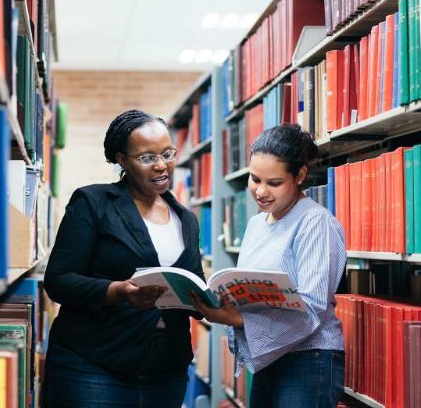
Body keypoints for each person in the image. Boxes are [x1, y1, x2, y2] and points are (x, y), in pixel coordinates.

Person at [42, 109, 204, 407]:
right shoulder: (93, 203)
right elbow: (59, 280)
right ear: (122, 160)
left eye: (167, 153)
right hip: (94, 365)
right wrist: (118, 292)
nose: (161, 166)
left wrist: (212, 301)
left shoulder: (186, 218)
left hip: (166, 369)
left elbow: (192, 283)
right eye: (147, 158)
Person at [190, 124, 346, 408]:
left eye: (274, 183)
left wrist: (235, 319)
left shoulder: (315, 223)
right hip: (269, 357)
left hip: (308, 361)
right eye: (254, 179)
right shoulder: (255, 224)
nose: (260, 191)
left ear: (299, 176)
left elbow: (311, 309)